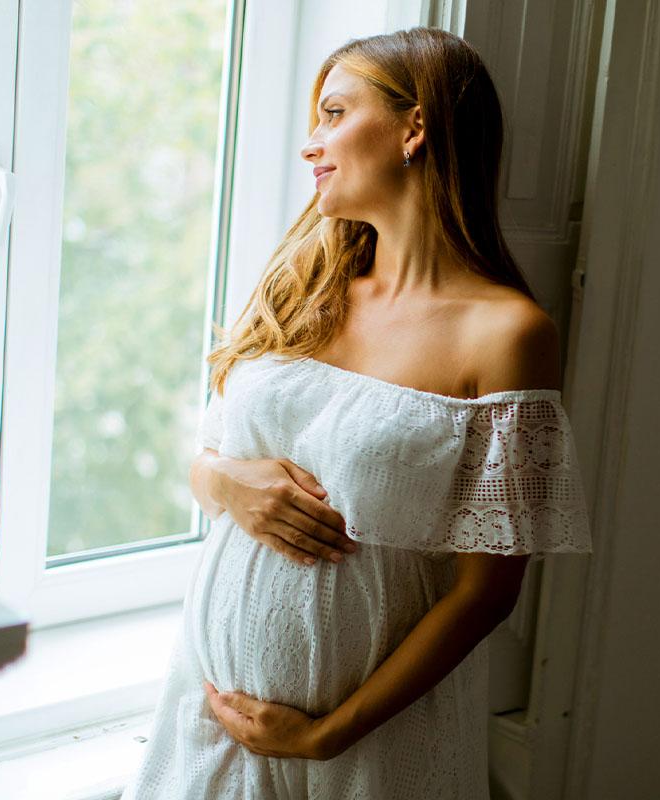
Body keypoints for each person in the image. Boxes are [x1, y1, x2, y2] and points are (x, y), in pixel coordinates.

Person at [122, 26, 592, 799]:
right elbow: (207, 456)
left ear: (415, 128)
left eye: (335, 113)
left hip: (368, 747)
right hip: (208, 722)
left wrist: (325, 735)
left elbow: (487, 593)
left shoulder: (506, 335)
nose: (312, 142)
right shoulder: (303, 284)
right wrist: (226, 483)